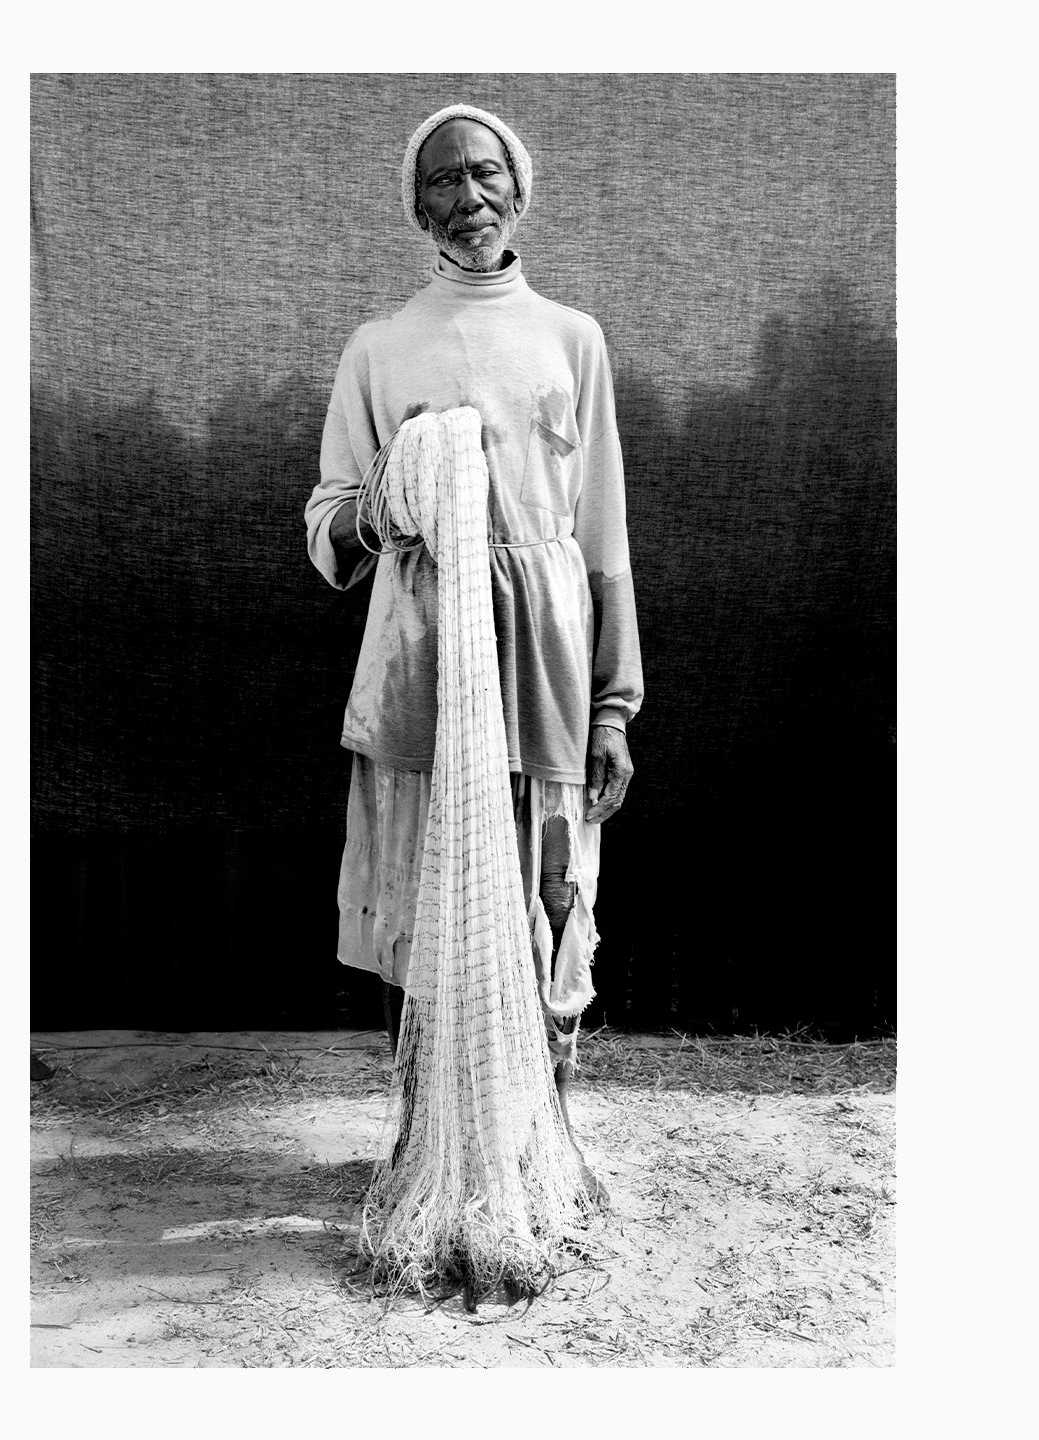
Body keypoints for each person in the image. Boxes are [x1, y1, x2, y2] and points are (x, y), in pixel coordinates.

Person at [305, 104, 642, 1201]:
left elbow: (600, 535)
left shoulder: (572, 340)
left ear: (520, 188)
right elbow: (327, 525)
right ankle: (426, 1153)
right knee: (420, 913)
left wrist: (612, 707)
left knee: (551, 901)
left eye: (486, 173)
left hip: (544, 662)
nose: (469, 196)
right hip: (420, 664)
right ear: (418, 206)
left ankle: (541, 1155)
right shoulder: (380, 348)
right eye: (444, 180)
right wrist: (394, 496)